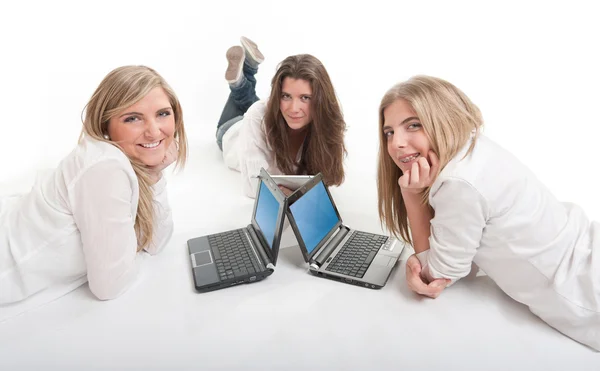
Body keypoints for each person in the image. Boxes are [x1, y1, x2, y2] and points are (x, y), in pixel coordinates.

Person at [376, 75, 600, 350]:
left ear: (442, 120)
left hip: (586, 293)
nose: (397, 142)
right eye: (389, 132)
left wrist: (411, 195)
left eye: (413, 125)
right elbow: (465, 258)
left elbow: (440, 275)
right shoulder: (471, 148)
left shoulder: (458, 183)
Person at [0, 65, 187, 319]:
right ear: (105, 125)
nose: (154, 131)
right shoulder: (106, 168)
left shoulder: (122, 161)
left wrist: (155, 176)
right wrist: (129, 249)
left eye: (163, 114)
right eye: (133, 118)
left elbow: (155, 242)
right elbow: (110, 285)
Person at [216, 36, 346, 198]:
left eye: (305, 98)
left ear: (320, 100)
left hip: (268, 115)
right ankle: (241, 78)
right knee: (253, 110)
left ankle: (248, 69)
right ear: (277, 95)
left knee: (257, 106)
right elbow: (254, 185)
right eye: (286, 96)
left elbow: (326, 180)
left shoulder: (327, 121)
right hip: (231, 130)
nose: (294, 108)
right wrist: (294, 195)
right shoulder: (256, 116)